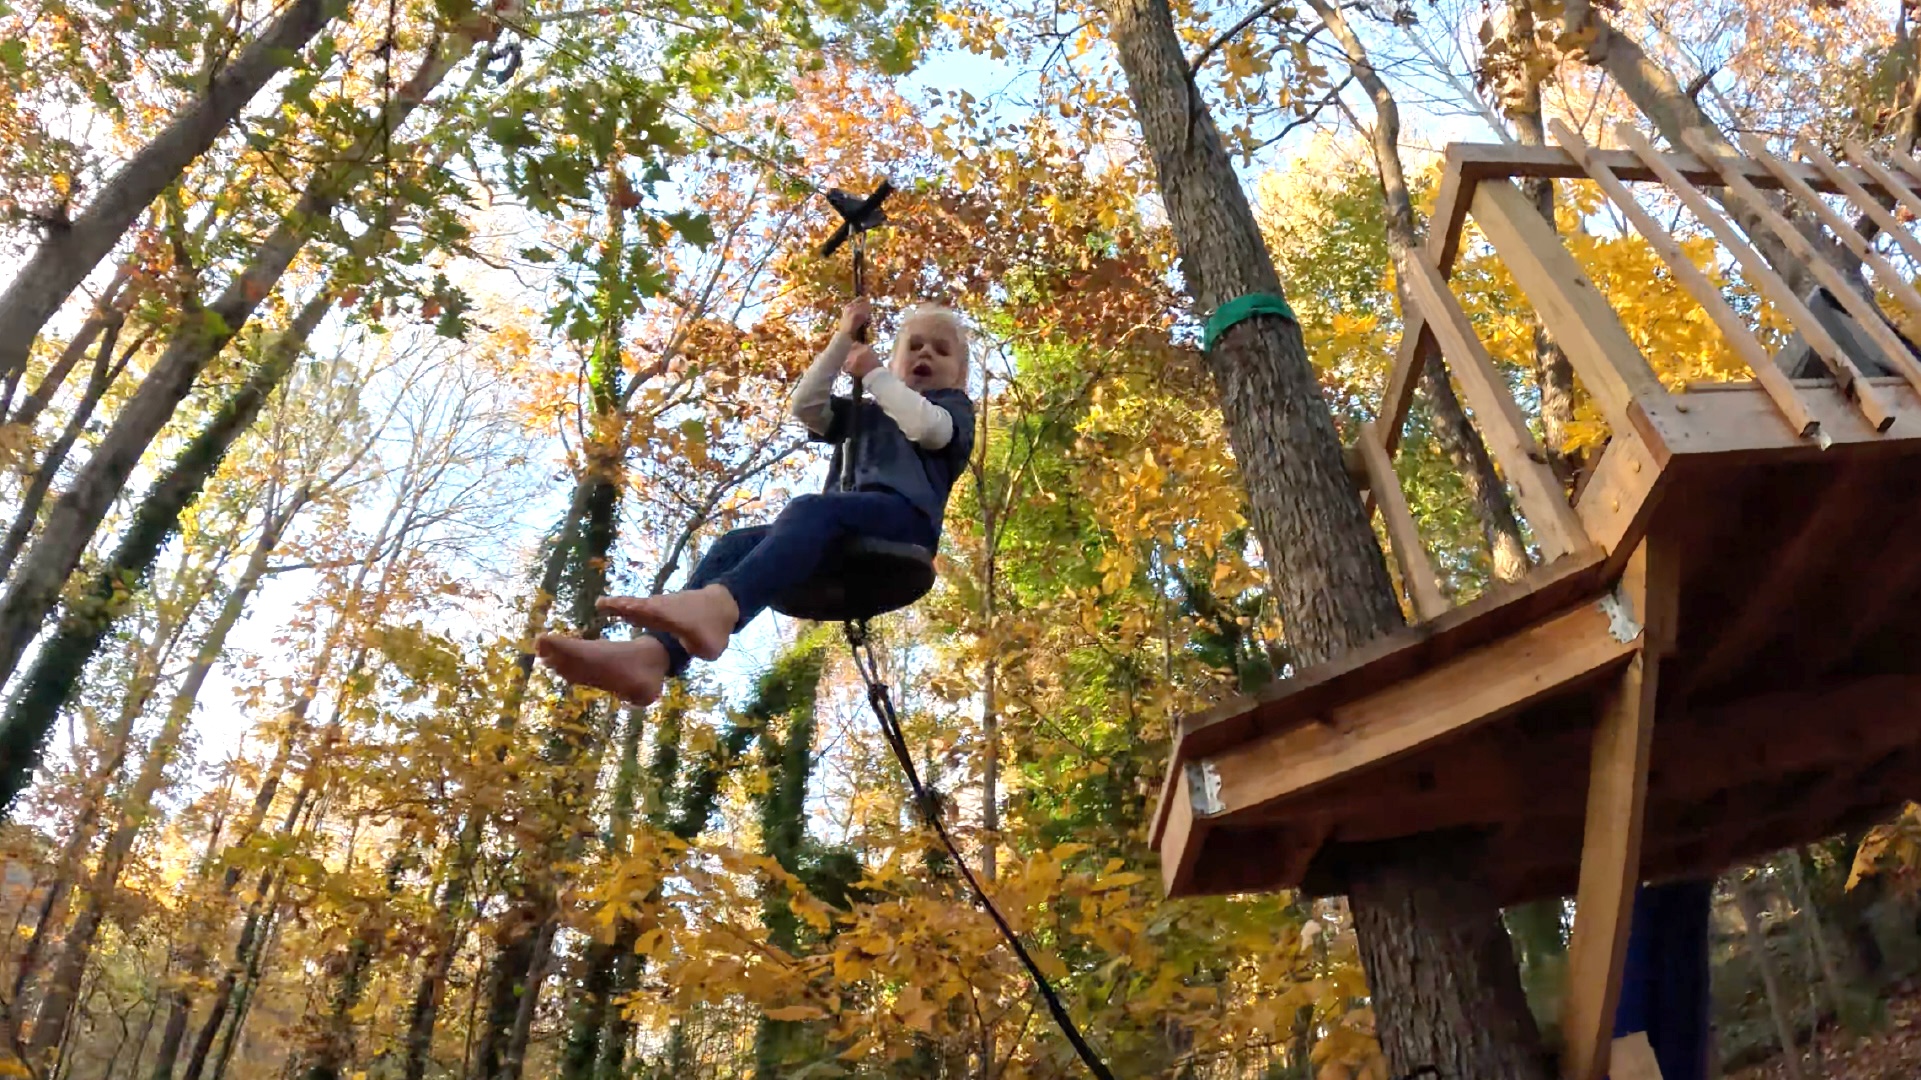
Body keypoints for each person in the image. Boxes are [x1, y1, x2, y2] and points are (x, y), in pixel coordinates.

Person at [535, 298, 975, 705]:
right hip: (849, 531)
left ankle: (721, 606)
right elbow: (806, 407)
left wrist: (877, 375)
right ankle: (653, 657)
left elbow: (929, 430)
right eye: (914, 347)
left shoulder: (951, 407)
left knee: (809, 509)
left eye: (940, 351)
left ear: (958, 375)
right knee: (736, 543)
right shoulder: (869, 412)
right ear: (898, 359)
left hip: (904, 527)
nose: (925, 355)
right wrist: (843, 341)